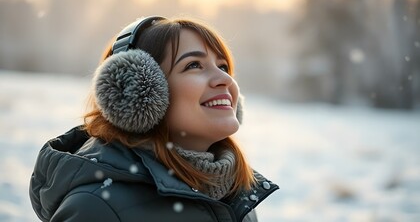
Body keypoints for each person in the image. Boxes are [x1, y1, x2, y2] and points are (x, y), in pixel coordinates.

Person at [29, 16, 278, 222]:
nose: (224, 79)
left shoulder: (235, 196)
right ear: (139, 93)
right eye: (194, 65)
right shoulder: (96, 208)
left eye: (223, 67)